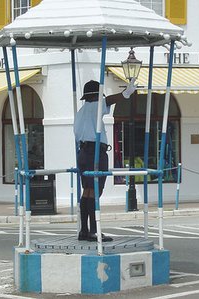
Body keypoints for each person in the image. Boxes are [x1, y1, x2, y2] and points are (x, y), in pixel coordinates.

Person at [74, 78, 136, 242]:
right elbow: (109, 100)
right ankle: (94, 231)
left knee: (87, 191)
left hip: (83, 152)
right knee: (95, 191)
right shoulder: (96, 106)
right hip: (95, 152)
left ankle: (84, 230)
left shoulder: (81, 112)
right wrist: (126, 93)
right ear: (96, 95)